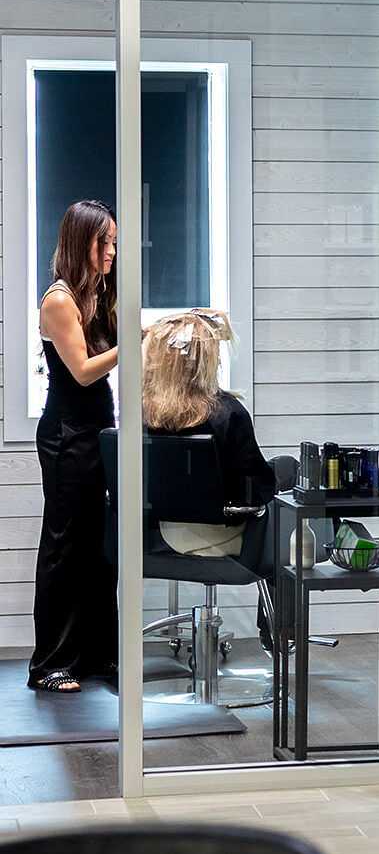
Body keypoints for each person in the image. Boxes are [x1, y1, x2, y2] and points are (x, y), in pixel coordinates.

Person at [30, 199, 119, 693]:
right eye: (104, 241)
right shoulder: (59, 301)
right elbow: (84, 372)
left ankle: (97, 654)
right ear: (80, 240)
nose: (111, 252)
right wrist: (135, 342)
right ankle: (51, 665)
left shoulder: (96, 292)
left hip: (97, 433)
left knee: (98, 546)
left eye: (114, 243)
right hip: (67, 437)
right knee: (65, 546)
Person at [141, 310, 276, 560]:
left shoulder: (145, 415)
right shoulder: (229, 413)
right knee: (286, 496)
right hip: (223, 534)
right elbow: (255, 491)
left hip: (166, 533)